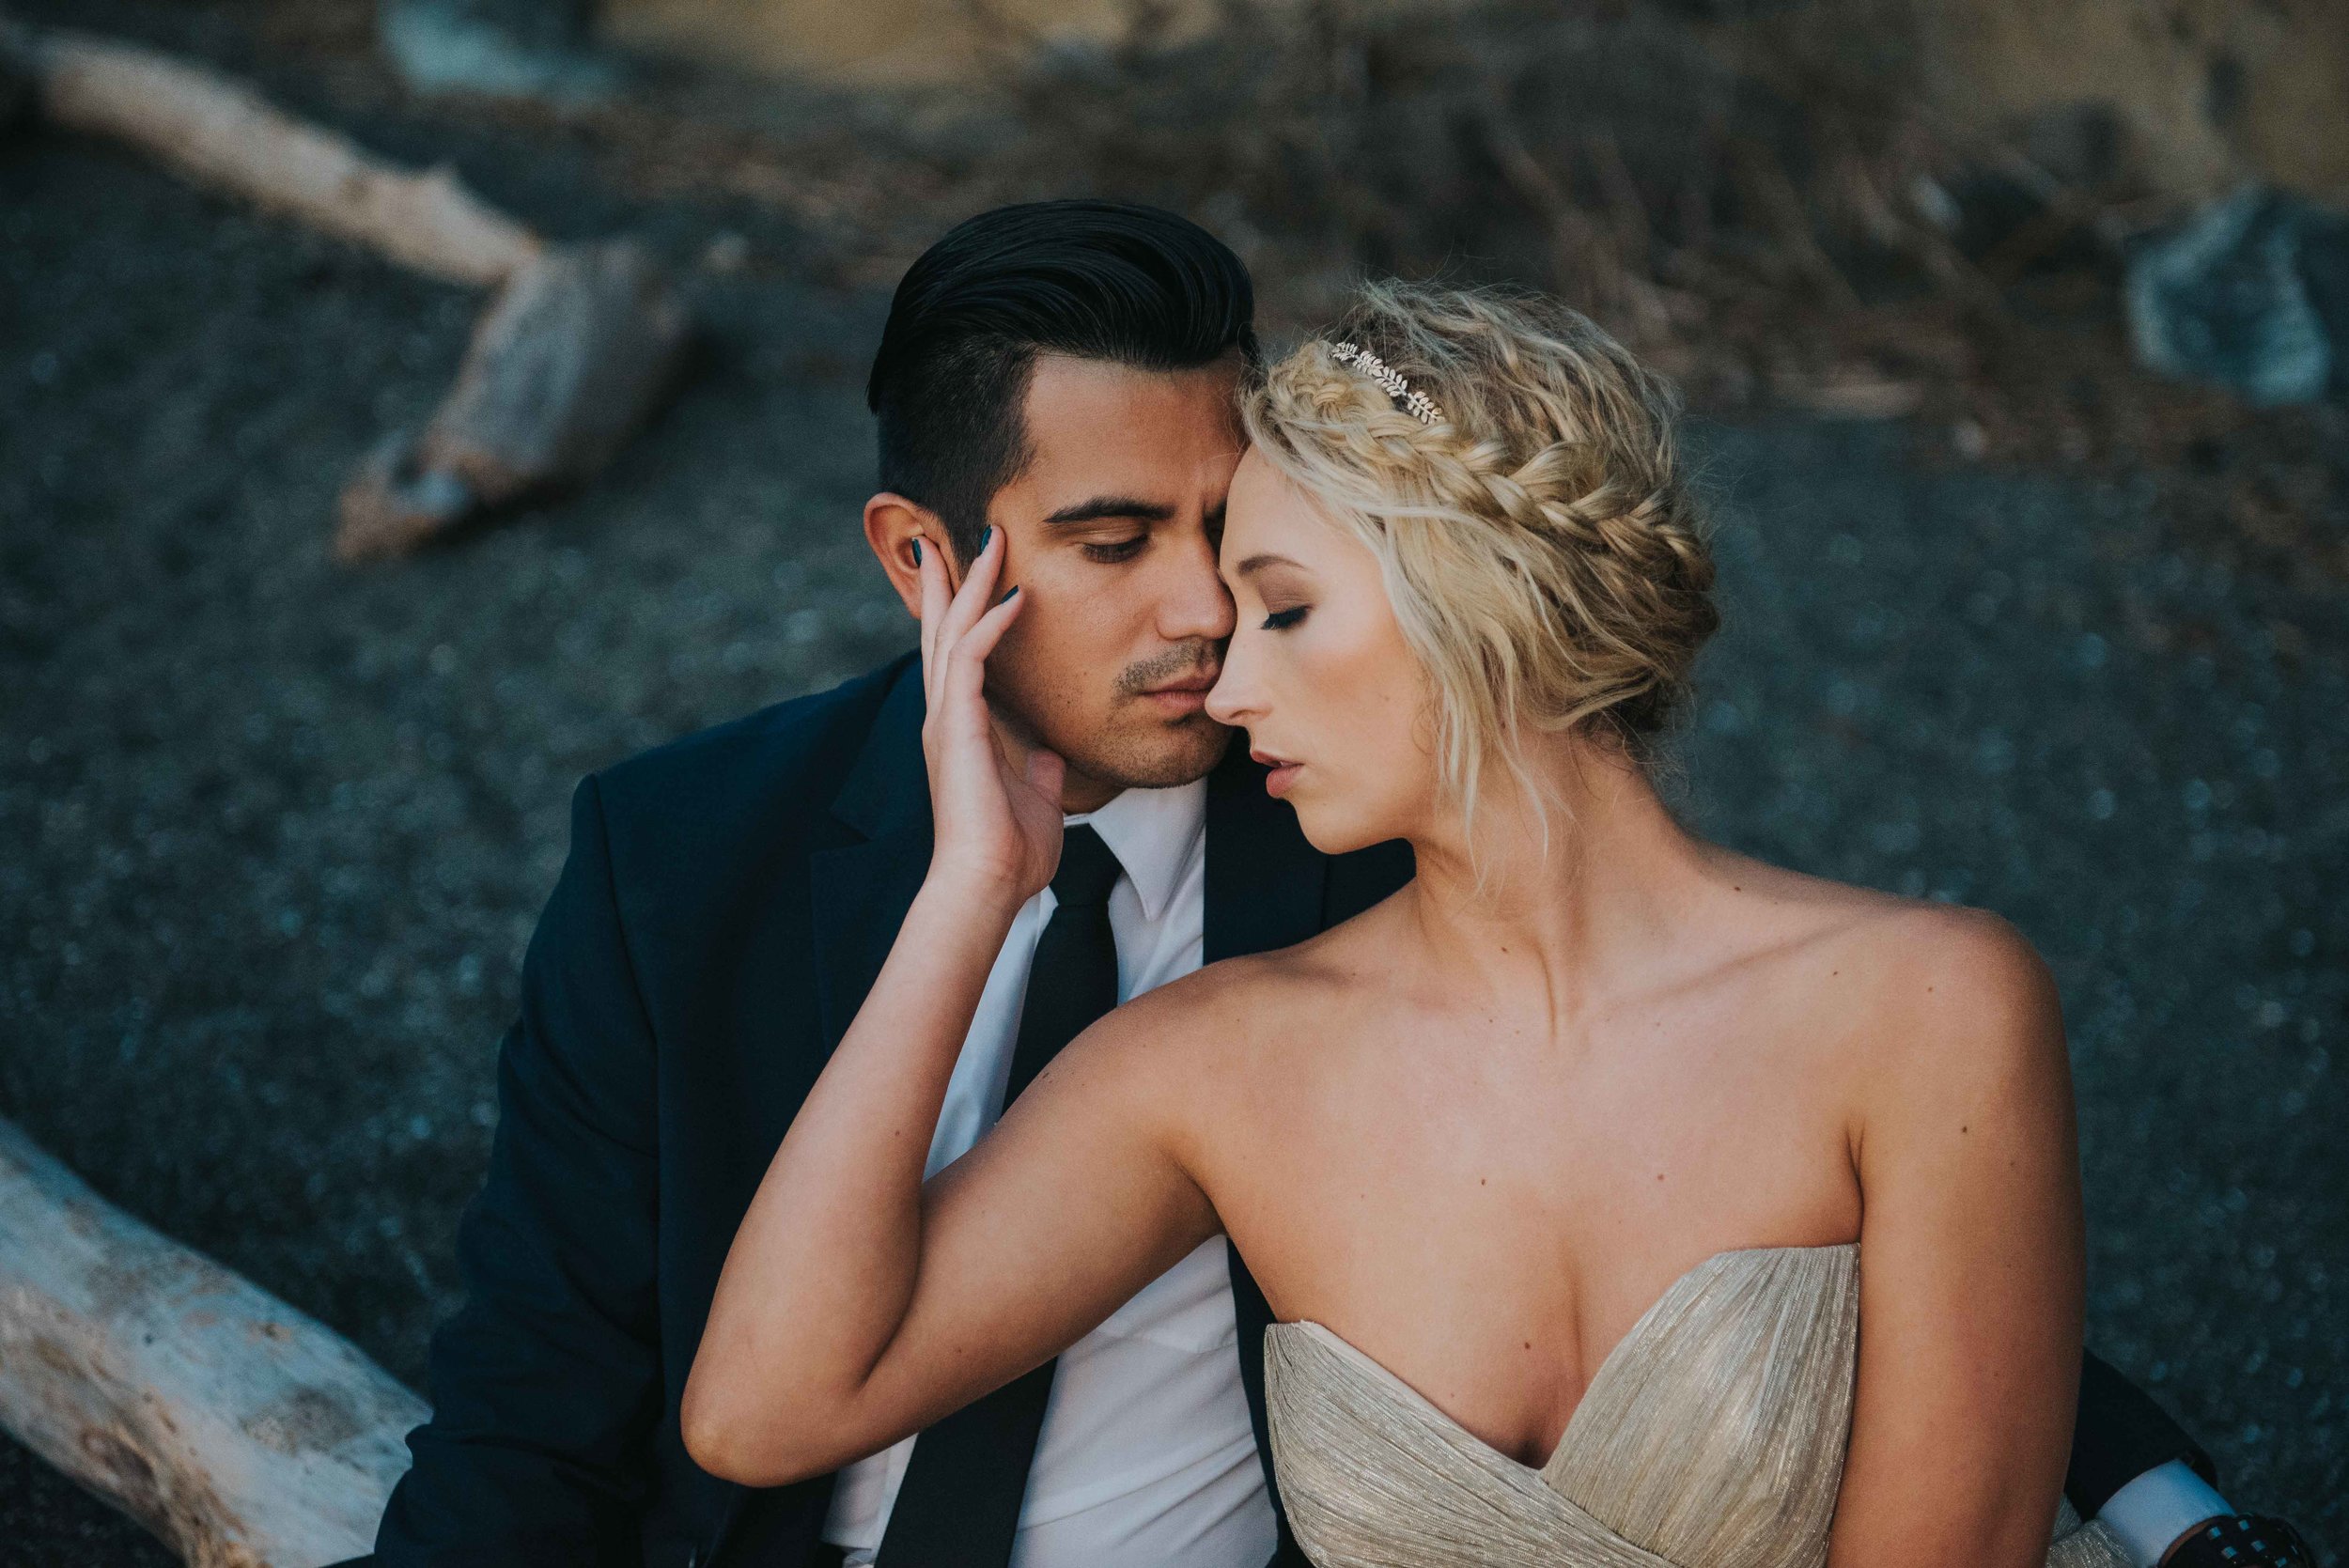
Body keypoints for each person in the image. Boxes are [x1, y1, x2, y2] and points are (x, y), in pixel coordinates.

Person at [365, 203, 2275, 1568]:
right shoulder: (694, 860)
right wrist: (972, 899)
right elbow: (592, 1402)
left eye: (1254, 569)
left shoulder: (1349, 833)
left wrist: (2179, 1515)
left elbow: (1795, 1230)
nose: (1209, 635)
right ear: (920, 558)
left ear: (1464, 604)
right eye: (1118, 544)